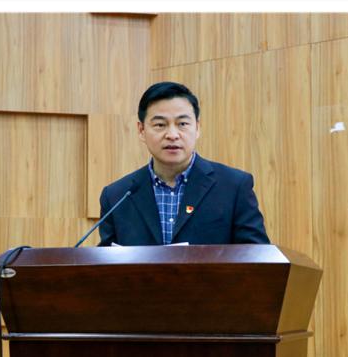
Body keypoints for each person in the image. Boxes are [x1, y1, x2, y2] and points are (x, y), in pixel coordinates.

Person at [97, 82, 270, 246]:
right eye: (160, 125)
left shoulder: (233, 187)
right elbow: (104, 262)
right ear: (141, 130)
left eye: (182, 124)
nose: (172, 135)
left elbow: (257, 257)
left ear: (197, 128)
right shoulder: (116, 196)